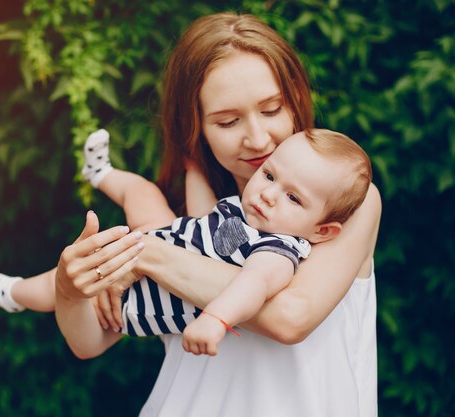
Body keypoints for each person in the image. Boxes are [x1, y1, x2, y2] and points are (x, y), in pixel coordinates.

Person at [52, 12, 381, 417]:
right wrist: (69, 290)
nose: (258, 138)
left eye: (272, 109)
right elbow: (89, 342)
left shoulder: (347, 205)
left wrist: (145, 252)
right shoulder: (187, 222)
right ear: (196, 126)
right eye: (228, 121)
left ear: (295, 100)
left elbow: (290, 317)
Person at [0, 127, 371, 358]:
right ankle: (100, 172)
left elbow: (253, 285)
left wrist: (215, 319)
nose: (268, 193)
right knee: (141, 193)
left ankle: (17, 292)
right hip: (162, 242)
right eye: (269, 176)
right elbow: (203, 217)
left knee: (68, 278)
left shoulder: (279, 251)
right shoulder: (250, 211)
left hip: (141, 297)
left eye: (293, 198)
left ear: (322, 231)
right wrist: (194, 166)